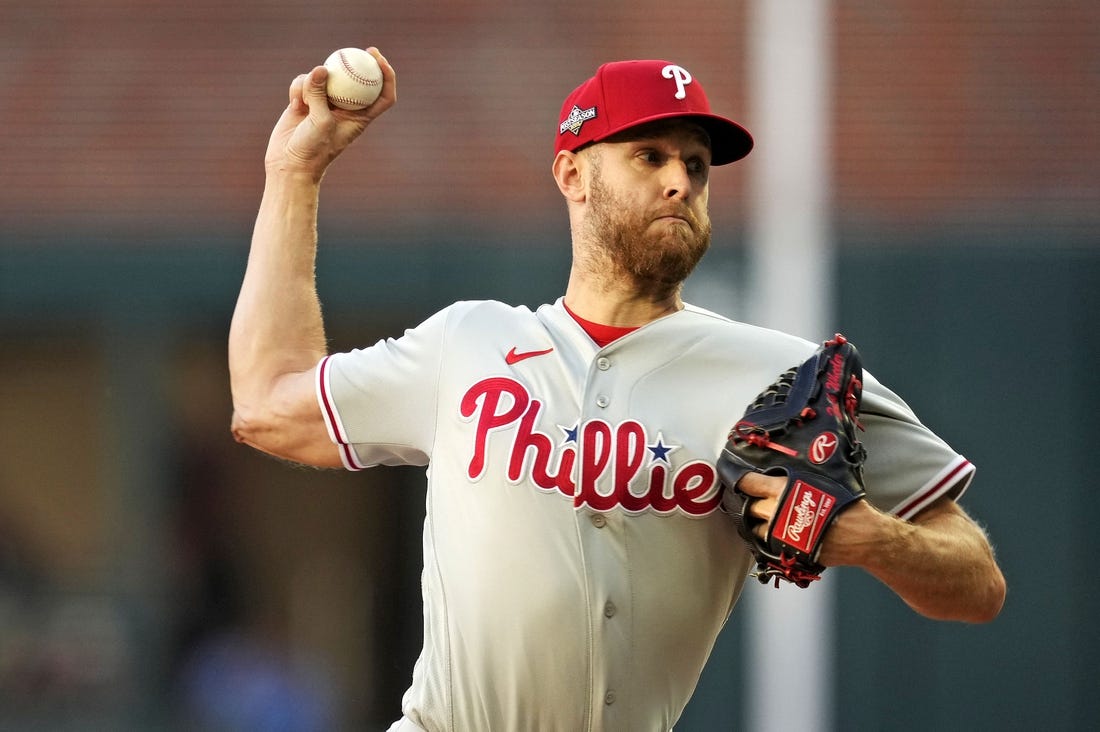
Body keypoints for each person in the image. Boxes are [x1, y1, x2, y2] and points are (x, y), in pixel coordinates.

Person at [229, 51, 1006, 731]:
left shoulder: (783, 376)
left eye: (696, 165)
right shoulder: (469, 344)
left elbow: (977, 583)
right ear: (573, 172)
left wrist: (876, 538)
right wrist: (294, 174)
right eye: (650, 155)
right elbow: (268, 405)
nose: (680, 181)